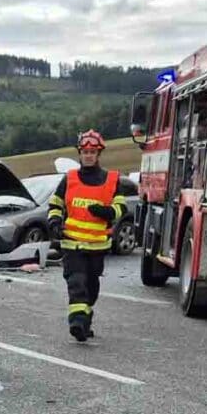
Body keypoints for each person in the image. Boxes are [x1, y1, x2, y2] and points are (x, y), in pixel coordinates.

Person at [46, 130, 136, 342]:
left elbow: (121, 207)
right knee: (76, 282)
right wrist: (55, 222)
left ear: (98, 153)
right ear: (79, 153)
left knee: (91, 289)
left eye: (92, 151)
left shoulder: (111, 180)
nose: (88, 155)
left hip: (96, 247)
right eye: (85, 151)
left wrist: (107, 212)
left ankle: (85, 319)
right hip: (72, 244)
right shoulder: (69, 179)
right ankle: (77, 322)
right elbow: (55, 204)